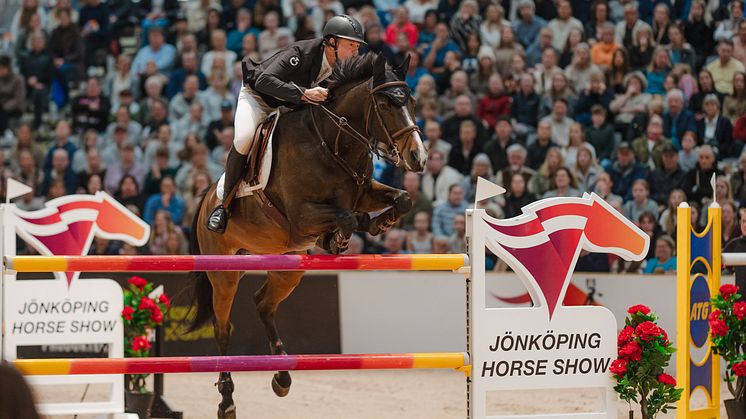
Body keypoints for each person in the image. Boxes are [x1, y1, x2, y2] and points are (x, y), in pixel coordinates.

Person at [206, 15, 366, 233]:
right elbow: (263, 81)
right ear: (331, 43)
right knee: (244, 139)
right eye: (351, 46)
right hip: (259, 99)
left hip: (290, 107)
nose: (355, 53)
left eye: (357, 47)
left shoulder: (339, 67)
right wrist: (304, 93)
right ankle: (223, 206)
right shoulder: (301, 54)